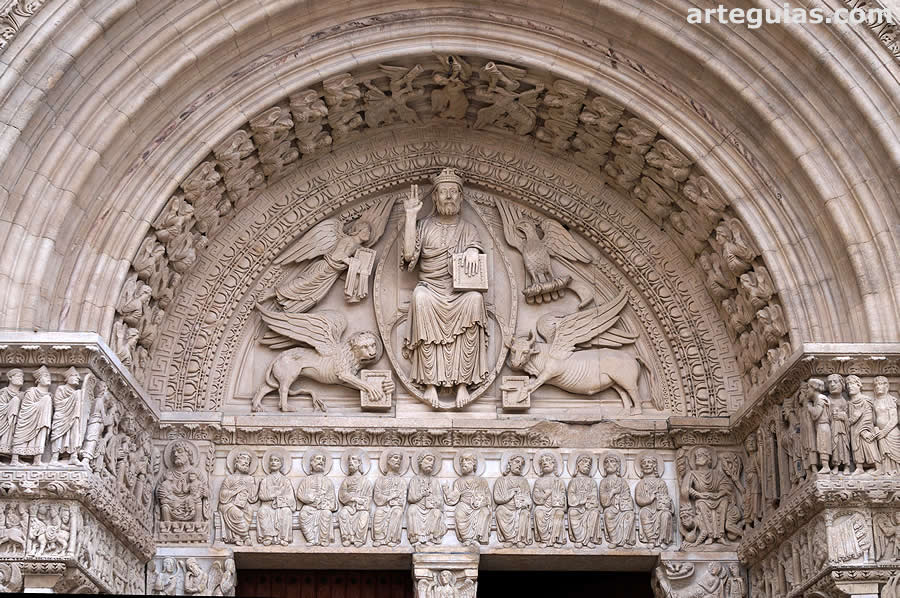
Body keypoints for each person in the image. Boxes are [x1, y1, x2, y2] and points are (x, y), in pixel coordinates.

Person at [401, 168, 488, 407]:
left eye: (453, 192)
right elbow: (409, 255)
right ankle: (429, 383)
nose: (449, 196)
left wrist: (472, 251)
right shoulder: (424, 226)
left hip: (458, 293)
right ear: (435, 198)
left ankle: (463, 384)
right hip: (431, 288)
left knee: (475, 300)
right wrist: (410, 216)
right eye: (443, 192)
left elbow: (475, 249)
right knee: (420, 297)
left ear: (461, 198)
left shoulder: (468, 229)